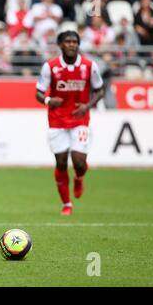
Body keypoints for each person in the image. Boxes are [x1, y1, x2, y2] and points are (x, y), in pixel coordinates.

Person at [35, 30, 104, 216]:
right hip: (57, 121)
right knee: (61, 163)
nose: (72, 44)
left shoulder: (90, 66)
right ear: (60, 45)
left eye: (75, 41)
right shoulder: (50, 67)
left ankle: (79, 176)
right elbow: (39, 93)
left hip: (79, 118)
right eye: (68, 41)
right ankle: (67, 204)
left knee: (79, 161)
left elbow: (100, 91)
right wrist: (49, 101)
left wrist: (87, 106)